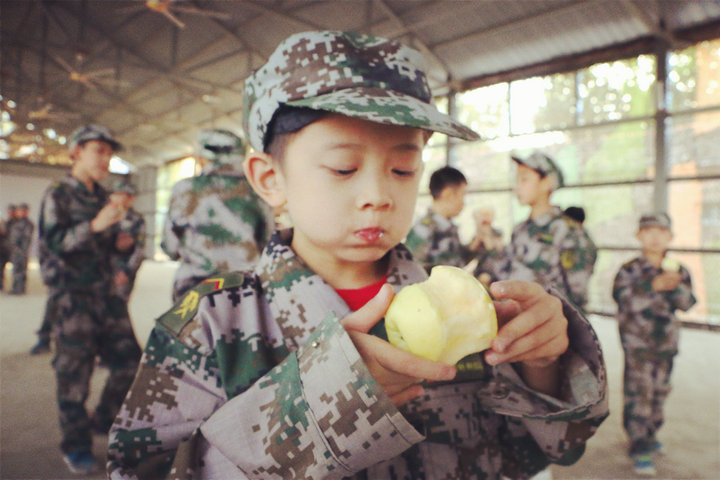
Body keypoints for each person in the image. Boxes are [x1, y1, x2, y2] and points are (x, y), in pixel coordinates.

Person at [108, 30, 608, 479]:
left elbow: (540, 453)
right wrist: (314, 410)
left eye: (403, 169)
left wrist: (544, 363)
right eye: (344, 168)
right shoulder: (212, 325)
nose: (379, 195)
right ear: (269, 179)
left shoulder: (463, 308)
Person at [38, 124, 142, 474]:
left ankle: (103, 419)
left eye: (109, 152)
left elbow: (109, 244)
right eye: (98, 150)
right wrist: (95, 226)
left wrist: (119, 242)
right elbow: (52, 246)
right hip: (73, 298)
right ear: (76, 152)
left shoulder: (103, 196)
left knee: (131, 364)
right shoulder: (58, 194)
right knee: (74, 378)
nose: (106, 158)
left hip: (106, 295)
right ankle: (77, 445)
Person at [612, 212, 696, 476]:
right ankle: (639, 444)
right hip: (637, 344)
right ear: (639, 236)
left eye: (661, 231)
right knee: (639, 393)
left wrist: (676, 287)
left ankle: (651, 432)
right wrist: (653, 286)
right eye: (649, 231)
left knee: (660, 391)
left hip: (666, 343)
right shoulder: (629, 269)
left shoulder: (678, 269)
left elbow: (688, 303)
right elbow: (622, 299)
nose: (655, 237)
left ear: (671, 236)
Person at [161, 128, 274, 302]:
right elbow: (268, 242)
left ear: (207, 155)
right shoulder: (257, 191)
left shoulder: (185, 189)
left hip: (193, 292)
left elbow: (170, 246)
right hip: (244, 293)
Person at [494, 152, 597, 309]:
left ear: (546, 183)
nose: (517, 187)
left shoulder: (570, 232)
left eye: (524, 179)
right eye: (516, 180)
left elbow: (576, 297)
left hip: (549, 326)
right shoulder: (520, 229)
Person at [405, 166, 476, 272]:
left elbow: (456, 261)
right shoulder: (423, 229)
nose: (463, 202)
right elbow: (411, 271)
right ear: (448, 194)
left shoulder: (448, 227)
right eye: (462, 195)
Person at [109, 181, 146, 302]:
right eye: (115, 194)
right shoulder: (105, 216)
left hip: (123, 269)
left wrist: (126, 271)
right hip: (102, 270)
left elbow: (140, 249)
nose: (116, 197)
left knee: (118, 306)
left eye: (121, 194)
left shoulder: (136, 220)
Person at [7, 202, 35, 294]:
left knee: (20, 269)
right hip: (15, 250)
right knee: (16, 269)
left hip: (21, 250)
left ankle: (20, 289)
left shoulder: (27, 223)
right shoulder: (17, 222)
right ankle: (16, 288)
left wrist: (21, 251)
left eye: (21, 211)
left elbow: (26, 239)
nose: (18, 213)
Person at [0, 204, 15, 291]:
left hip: (11, 249)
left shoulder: (17, 223)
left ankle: (17, 287)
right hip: (2, 249)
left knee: (17, 269)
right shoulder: (6, 222)